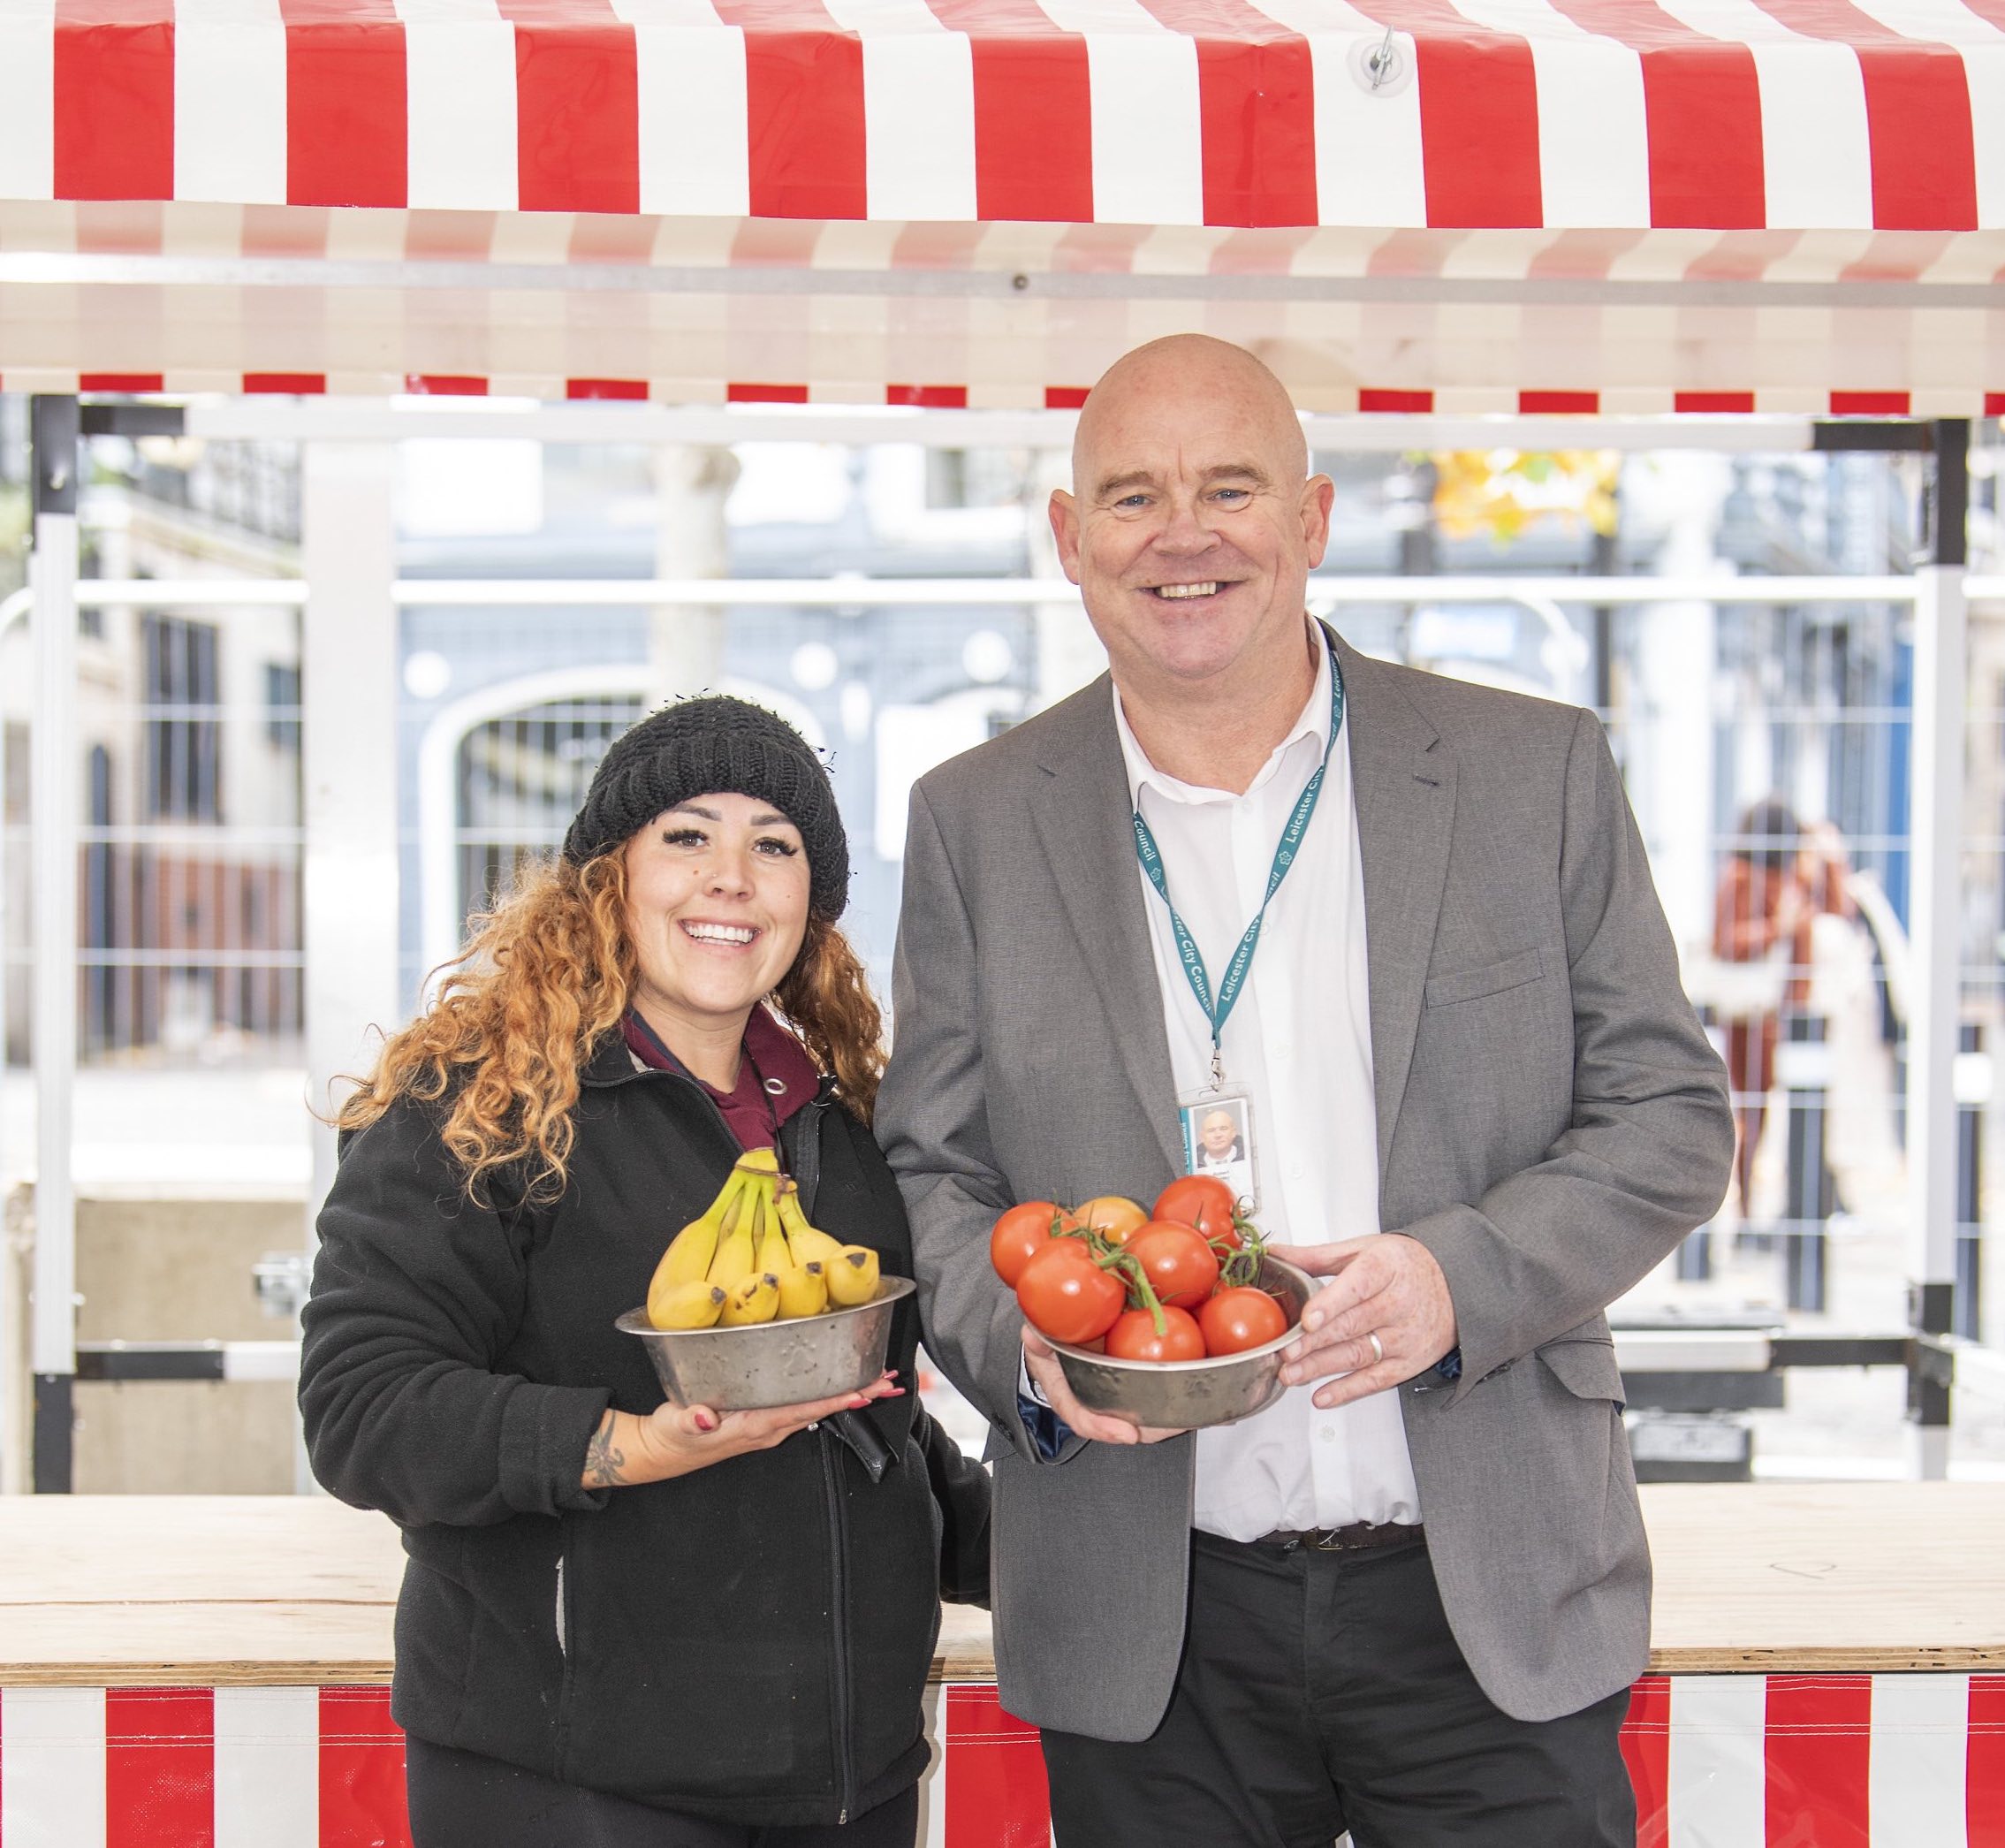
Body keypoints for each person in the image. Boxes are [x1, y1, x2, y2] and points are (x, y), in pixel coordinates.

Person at [877, 336, 1734, 1846]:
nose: (1182, 533)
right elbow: (929, 1172)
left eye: (1229, 487)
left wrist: (1457, 1278)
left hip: (1481, 1595)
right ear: (1068, 538)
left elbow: (1665, 1116)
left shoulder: (1524, 771)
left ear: (1312, 518)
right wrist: (1030, 1350)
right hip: (1151, 1620)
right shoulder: (973, 821)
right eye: (1132, 495)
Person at [300, 697, 990, 1848]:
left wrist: (1061, 1536)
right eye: (686, 835)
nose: (731, 875)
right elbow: (362, 1407)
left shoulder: (839, 1131)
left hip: (845, 1783)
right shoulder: (482, 1105)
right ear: (604, 875)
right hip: (573, 1786)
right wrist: (636, 1442)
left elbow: (869, 1424)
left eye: (773, 844)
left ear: (807, 904)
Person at [1711, 798, 1853, 1218]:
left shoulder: (1793, 876)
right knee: (1754, 1113)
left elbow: (1839, 908)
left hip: (1797, 1012)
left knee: (1807, 1109)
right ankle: (1747, 1211)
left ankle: (1808, 1205)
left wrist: (1831, 857)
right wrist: (1778, 928)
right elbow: (1725, 942)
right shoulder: (1740, 876)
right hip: (1755, 1014)